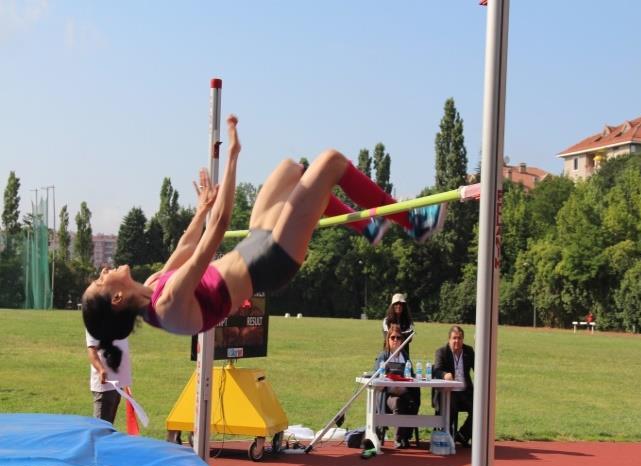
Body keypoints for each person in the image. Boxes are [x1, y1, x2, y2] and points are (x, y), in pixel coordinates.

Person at [82, 115, 445, 366]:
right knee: (330, 162)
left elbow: (185, 247)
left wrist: (201, 207)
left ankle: (367, 227)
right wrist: (233, 159)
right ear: (116, 298)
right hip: (271, 259)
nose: (104, 269)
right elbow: (219, 227)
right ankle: (414, 222)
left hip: (257, 241)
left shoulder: (152, 287)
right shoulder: (169, 306)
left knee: (292, 169)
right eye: (101, 279)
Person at [374, 324, 420, 449]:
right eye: (393, 337)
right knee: (399, 402)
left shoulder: (405, 357)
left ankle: (406, 436)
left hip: (405, 393)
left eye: (398, 338)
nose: (395, 340)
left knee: (413, 401)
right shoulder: (383, 356)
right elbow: (376, 377)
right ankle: (399, 438)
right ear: (388, 339)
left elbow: (412, 375)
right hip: (388, 396)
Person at [432, 325, 474, 447]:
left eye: (460, 338)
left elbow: (480, 368)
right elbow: (436, 370)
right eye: (454, 338)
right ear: (449, 339)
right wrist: (445, 375)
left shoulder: (469, 351)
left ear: (463, 339)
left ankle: (462, 435)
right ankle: (447, 437)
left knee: (481, 408)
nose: (457, 341)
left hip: (465, 392)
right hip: (448, 393)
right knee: (450, 406)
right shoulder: (442, 352)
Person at [85, 329, 132, 424]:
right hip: (105, 384)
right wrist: (101, 369)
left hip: (118, 382)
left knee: (109, 427)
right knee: (100, 428)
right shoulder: (94, 320)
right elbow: (91, 349)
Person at [382, 293, 414, 357]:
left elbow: (409, 338)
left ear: (404, 306)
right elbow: (387, 337)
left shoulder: (408, 321)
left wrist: (394, 335)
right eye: (396, 304)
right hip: (388, 354)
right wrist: (401, 335)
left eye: (401, 304)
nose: (399, 306)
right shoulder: (386, 321)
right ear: (392, 306)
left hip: (404, 354)